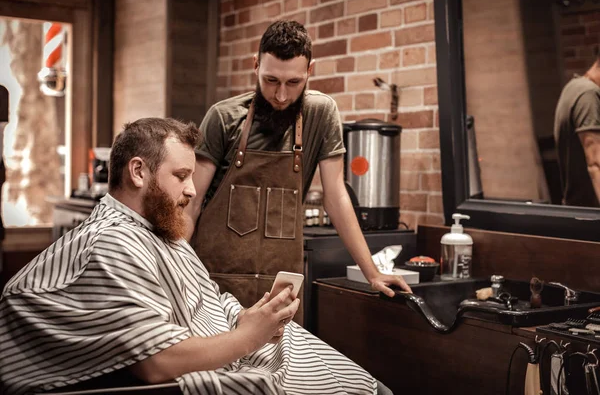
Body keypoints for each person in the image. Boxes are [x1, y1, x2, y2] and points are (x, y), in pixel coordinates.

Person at [0, 117, 393, 395]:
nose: (191, 190)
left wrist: (249, 319)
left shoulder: (159, 232)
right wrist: (246, 337)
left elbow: (207, 301)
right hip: (201, 372)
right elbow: (156, 361)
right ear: (138, 172)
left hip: (237, 349)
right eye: (180, 175)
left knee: (370, 385)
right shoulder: (114, 243)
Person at [185, 20, 411, 313]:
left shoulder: (321, 114)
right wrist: (173, 271)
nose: (281, 96)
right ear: (255, 66)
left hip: (280, 291)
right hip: (214, 286)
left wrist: (372, 273)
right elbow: (191, 201)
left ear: (309, 71)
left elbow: (336, 196)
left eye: (293, 83)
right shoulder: (222, 118)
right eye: (270, 81)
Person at [554, 48, 600, 207]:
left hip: (579, 212)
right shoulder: (588, 95)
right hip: (590, 216)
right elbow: (596, 164)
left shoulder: (573, 87)